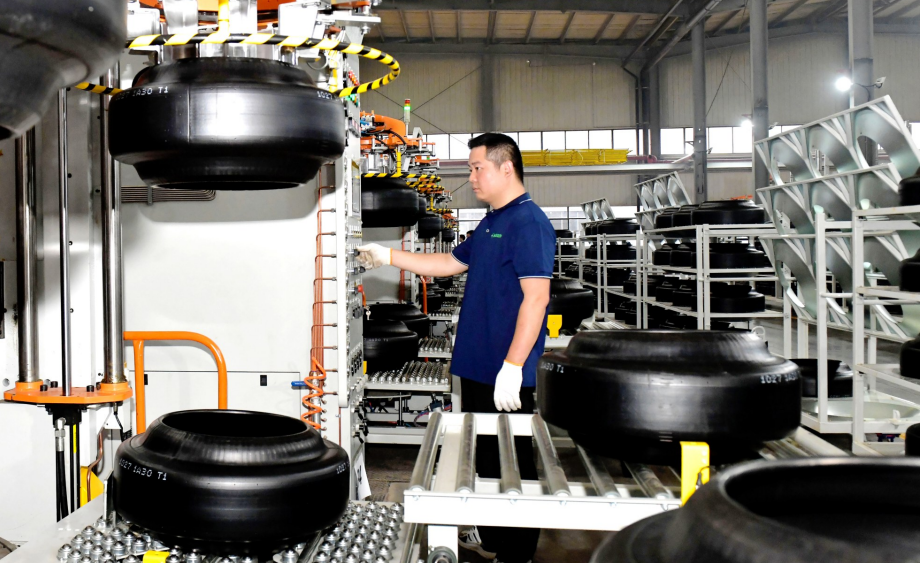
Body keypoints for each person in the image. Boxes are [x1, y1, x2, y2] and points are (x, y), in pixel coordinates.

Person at [356, 133, 555, 563]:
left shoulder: (529, 222)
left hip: (504, 372)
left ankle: (517, 553)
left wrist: (513, 366)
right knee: (487, 459)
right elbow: (448, 263)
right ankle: (495, 538)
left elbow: (537, 298)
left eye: (477, 168)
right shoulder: (491, 221)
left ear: (506, 168)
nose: (472, 177)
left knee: (513, 465)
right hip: (479, 366)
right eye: (470, 169)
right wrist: (388, 256)